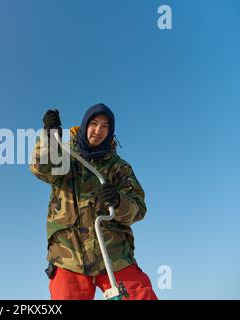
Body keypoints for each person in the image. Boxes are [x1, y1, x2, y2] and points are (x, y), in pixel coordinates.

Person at [30, 103, 158, 300]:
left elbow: (138, 208)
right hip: (68, 256)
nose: (99, 130)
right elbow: (41, 168)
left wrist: (118, 201)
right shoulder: (65, 157)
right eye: (94, 123)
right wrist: (49, 137)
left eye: (105, 126)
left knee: (140, 295)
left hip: (113, 255)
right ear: (84, 125)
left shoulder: (118, 167)